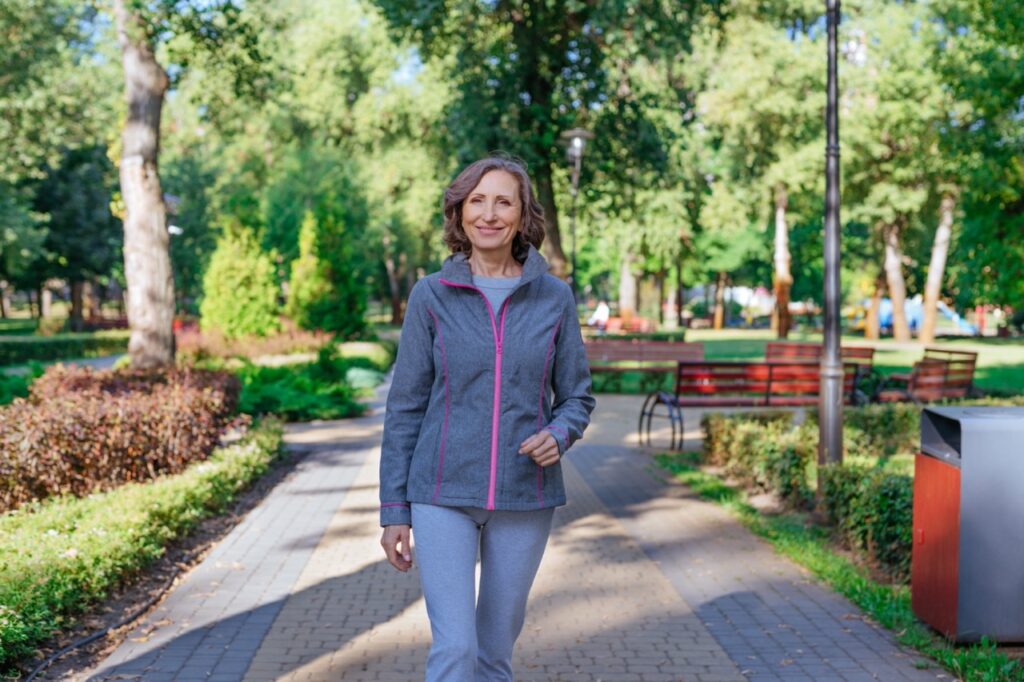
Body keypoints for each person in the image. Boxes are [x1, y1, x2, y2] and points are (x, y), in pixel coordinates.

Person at [379, 156, 595, 681]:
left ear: (523, 216)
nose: (489, 214)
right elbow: (405, 404)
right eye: (477, 200)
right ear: (460, 212)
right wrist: (394, 509)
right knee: (455, 650)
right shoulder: (431, 295)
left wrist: (558, 434)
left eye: (504, 201)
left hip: (525, 496)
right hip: (440, 493)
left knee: (494, 655)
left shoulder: (554, 297)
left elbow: (577, 396)